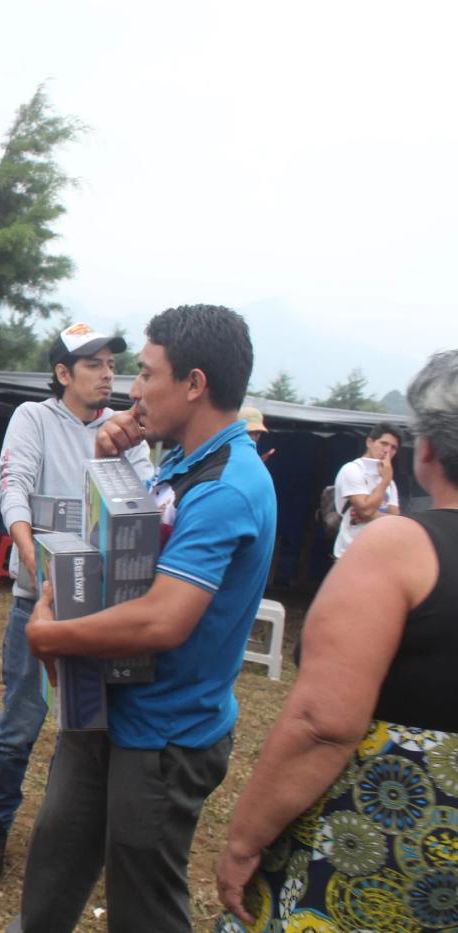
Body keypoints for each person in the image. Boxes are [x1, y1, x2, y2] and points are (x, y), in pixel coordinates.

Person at [19, 304, 276, 933]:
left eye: (146, 373)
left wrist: (50, 635)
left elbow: (163, 620)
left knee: (142, 910)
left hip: (163, 736)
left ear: (194, 384)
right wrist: (109, 460)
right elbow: (126, 552)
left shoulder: (225, 487)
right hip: (108, 711)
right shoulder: (180, 464)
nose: (133, 390)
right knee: (54, 869)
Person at [216, 350, 458, 932]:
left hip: (390, 846)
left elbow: (324, 723)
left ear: (426, 450)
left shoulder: (400, 548)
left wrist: (245, 839)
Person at [0, 323, 153, 886]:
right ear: (62, 374)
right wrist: (33, 560)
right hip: (40, 604)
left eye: (111, 365)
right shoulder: (33, 419)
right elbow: (13, 486)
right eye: (93, 364)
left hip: (103, 614)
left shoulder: (129, 434)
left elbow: (143, 505)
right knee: (21, 723)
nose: (108, 375)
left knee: (87, 730)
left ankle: (64, 837)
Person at [332, 421, 404, 559]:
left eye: (393, 447)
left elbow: (396, 520)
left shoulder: (390, 481)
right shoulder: (353, 469)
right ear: (370, 442)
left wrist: (370, 516)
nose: (387, 450)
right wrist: (384, 482)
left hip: (378, 554)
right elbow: (366, 510)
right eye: (384, 443)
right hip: (349, 553)